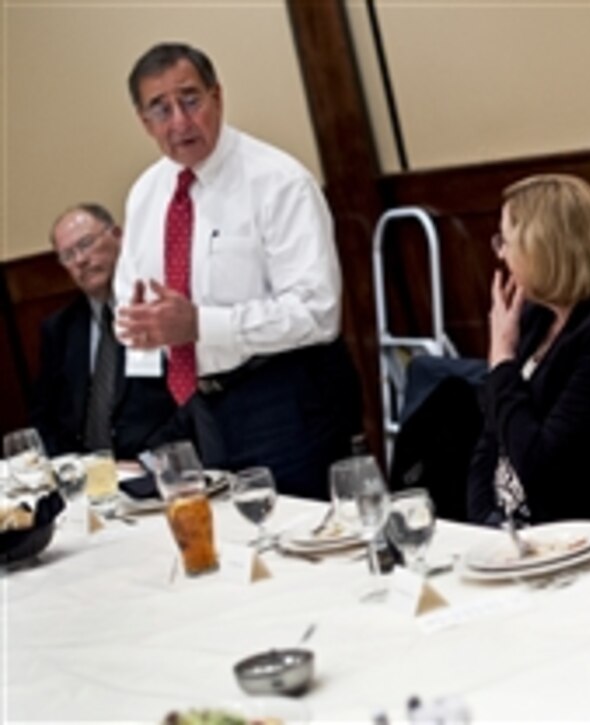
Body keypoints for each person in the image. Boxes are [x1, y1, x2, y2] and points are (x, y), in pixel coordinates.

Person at [113, 43, 359, 499]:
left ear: (217, 97)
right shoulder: (146, 195)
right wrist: (143, 332)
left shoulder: (279, 182)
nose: (180, 122)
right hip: (198, 407)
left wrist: (199, 324)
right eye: (161, 109)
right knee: (235, 550)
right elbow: (130, 301)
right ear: (144, 123)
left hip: (285, 397)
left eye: (190, 100)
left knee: (309, 546)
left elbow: (317, 313)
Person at [466, 174, 590, 535]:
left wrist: (503, 362)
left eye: (505, 241)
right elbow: (489, 444)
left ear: (542, 248)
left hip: (575, 541)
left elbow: (547, 468)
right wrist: (486, 525)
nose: (500, 253)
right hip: (511, 537)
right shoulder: (535, 319)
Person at [31, 204, 180, 459]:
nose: (80, 260)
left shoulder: (158, 306)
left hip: (159, 465)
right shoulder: (60, 328)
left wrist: (149, 462)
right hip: (87, 477)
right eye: (67, 256)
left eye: (86, 243)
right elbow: (44, 416)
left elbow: (187, 397)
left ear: (118, 235)